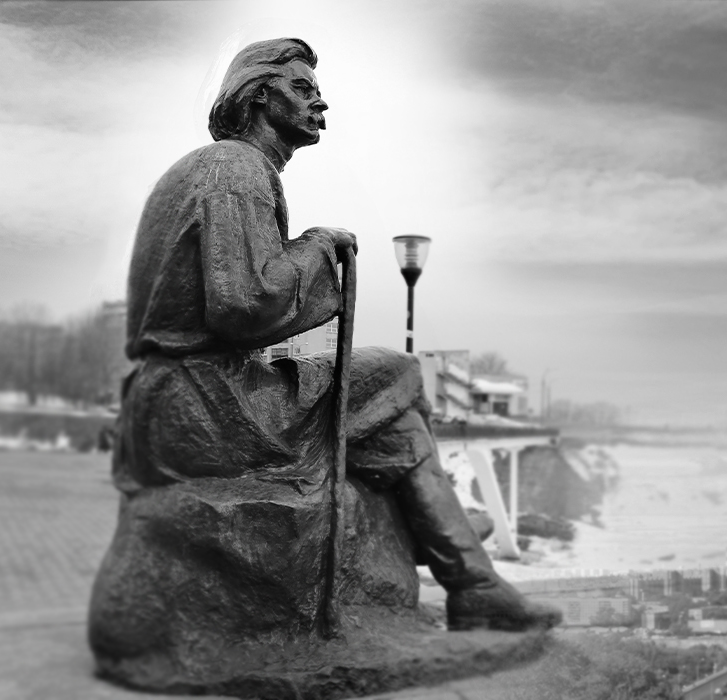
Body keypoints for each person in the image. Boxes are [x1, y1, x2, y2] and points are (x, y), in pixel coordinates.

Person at [111, 37, 558, 632]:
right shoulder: (235, 168)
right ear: (258, 94)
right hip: (202, 406)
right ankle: (454, 555)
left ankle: (465, 574)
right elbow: (243, 307)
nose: (320, 105)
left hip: (186, 402)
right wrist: (318, 247)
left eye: (319, 93)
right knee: (399, 373)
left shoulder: (227, 169)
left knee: (393, 412)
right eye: (302, 90)